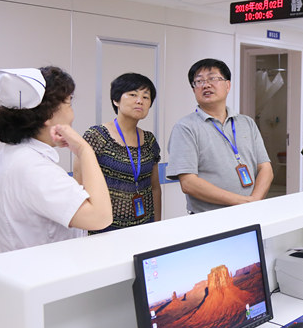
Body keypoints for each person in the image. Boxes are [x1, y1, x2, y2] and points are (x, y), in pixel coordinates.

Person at [0, 67, 112, 251]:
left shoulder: (11, 157)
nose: (72, 114)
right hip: (46, 266)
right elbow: (100, 218)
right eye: (69, 103)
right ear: (49, 114)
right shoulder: (35, 169)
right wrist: (85, 150)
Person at [166, 58, 273, 213]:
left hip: (251, 212)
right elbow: (188, 183)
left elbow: (265, 167)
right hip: (209, 217)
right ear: (194, 90)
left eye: (213, 78)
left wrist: (254, 201)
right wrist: (244, 202)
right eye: (199, 81)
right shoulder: (185, 127)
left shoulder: (247, 123)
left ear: (228, 85)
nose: (206, 85)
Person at [74, 73, 161, 233]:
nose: (140, 101)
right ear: (116, 100)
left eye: (146, 97)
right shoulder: (97, 137)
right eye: (133, 94)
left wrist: (157, 225)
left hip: (144, 226)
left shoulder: (149, 141)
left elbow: (155, 187)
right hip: (105, 228)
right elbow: (80, 185)